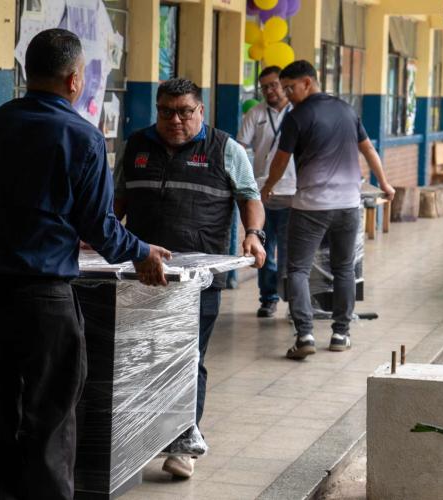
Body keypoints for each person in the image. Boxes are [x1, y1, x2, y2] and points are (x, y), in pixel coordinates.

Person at [0, 29, 171, 500]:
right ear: (75, 80)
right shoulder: (82, 137)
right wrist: (143, 252)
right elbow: (101, 229)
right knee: (51, 411)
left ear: (27, 74)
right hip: (44, 299)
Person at [114, 78, 267, 479]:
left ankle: (183, 442)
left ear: (201, 111)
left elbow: (250, 196)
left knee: (188, 357)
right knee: (138, 357)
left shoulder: (224, 148)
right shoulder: (135, 147)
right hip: (139, 275)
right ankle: (137, 438)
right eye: (166, 112)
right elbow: (115, 204)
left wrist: (252, 234)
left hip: (198, 281)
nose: (175, 120)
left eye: (185, 111)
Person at [261, 60, 395, 360]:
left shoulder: (297, 117)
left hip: (310, 207)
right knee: (344, 268)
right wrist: (385, 183)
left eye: (290, 88)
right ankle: (340, 333)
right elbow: (369, 149)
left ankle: (305, 334)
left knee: (297, 269)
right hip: (348, 205)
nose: (286, 94)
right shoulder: (347, 110)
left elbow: (281, 160)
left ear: (308, 83)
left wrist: (268, 186)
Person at [238, 66, 296, 318]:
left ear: (283, 84)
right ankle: (268, 299)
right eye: (264, 87)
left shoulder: (299, 112)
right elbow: (239, 148)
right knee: (263, 250)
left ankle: (294, 303)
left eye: (274, 85)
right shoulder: (255, 113)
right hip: (263, 196)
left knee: (290, 254)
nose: (270, 90)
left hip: (295, 193)